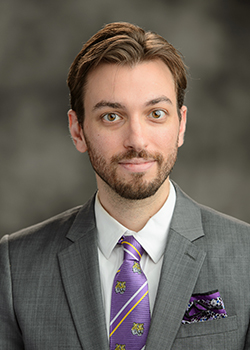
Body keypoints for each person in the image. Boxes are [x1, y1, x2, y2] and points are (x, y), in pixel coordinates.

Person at [0, 22, 250, 350]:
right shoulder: (14, 267)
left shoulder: (246, 257)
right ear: (77, 130)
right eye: (111, 117)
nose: (136, 140)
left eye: (156, 113)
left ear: (181, 124)